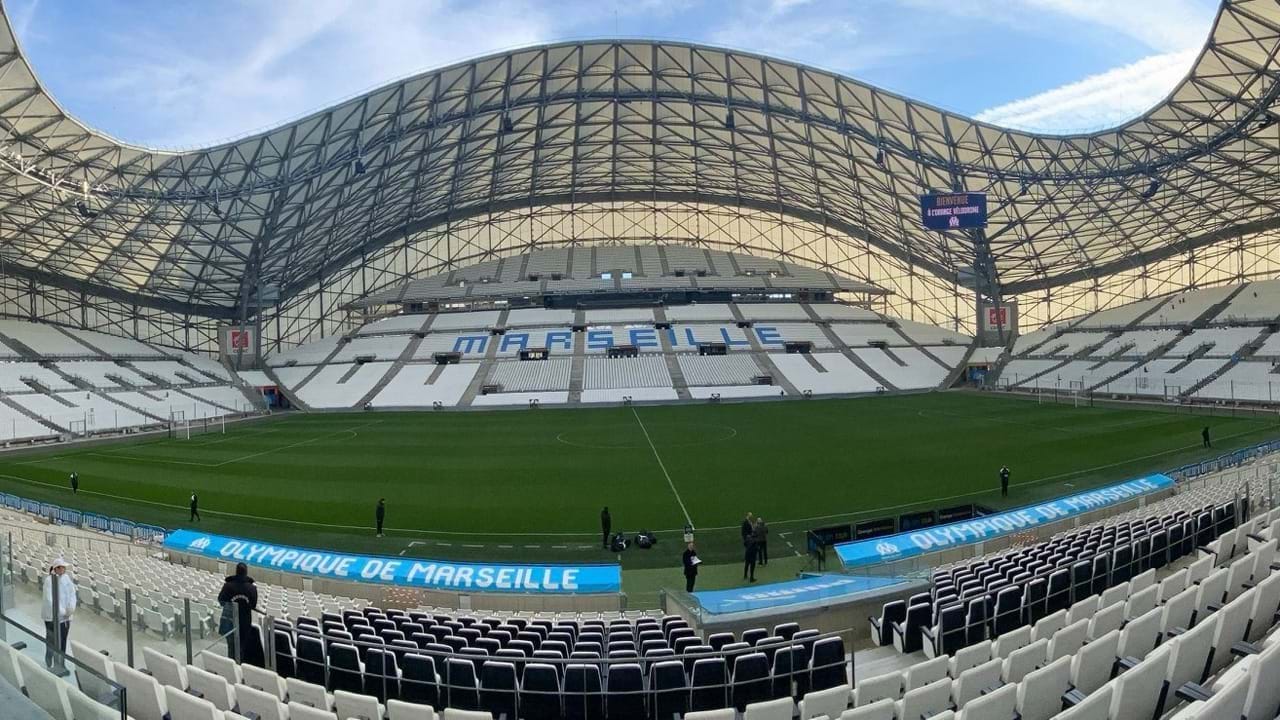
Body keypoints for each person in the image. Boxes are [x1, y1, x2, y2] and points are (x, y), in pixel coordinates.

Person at [217, 562, 264, 667]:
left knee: (231, 647)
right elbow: (253, 605)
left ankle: (232, 667)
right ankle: (239, 668)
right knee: (242, 647)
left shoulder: (228, 586)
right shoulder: (252, 588)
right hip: (244, 623)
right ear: (246, 572)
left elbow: (221, 600)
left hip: (229, 621)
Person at [42, 557, 76, 669]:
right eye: (60, 567)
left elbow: (72, 594)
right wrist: (62, 611)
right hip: (52, 617)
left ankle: (61, 664)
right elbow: (50, 599)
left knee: (63, 641)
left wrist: (71, 608)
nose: (63, 569)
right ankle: (49, 660)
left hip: (65, 618)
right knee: (51, 639)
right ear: (55, 569)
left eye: (63, 567)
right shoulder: (49, 581)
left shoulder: (67, 579)